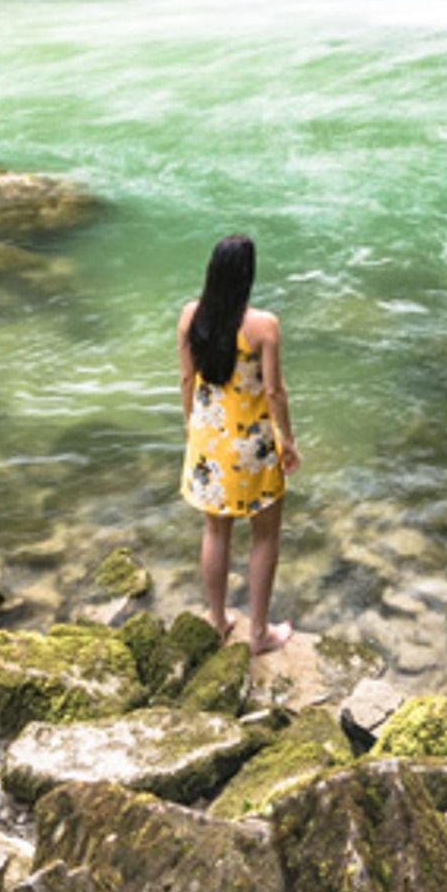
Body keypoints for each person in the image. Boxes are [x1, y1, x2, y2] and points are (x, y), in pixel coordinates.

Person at [178, 233, 300, 652]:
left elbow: (185, 379)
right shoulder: (264, 326)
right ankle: (260, 633)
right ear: (248, 276)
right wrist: (289, 439)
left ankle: (218, 620)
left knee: (215, 531)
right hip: (252, 447)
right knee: (265, 537)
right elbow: (274, 392)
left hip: (208, 440)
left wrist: (190, 427)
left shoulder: (191, 317)